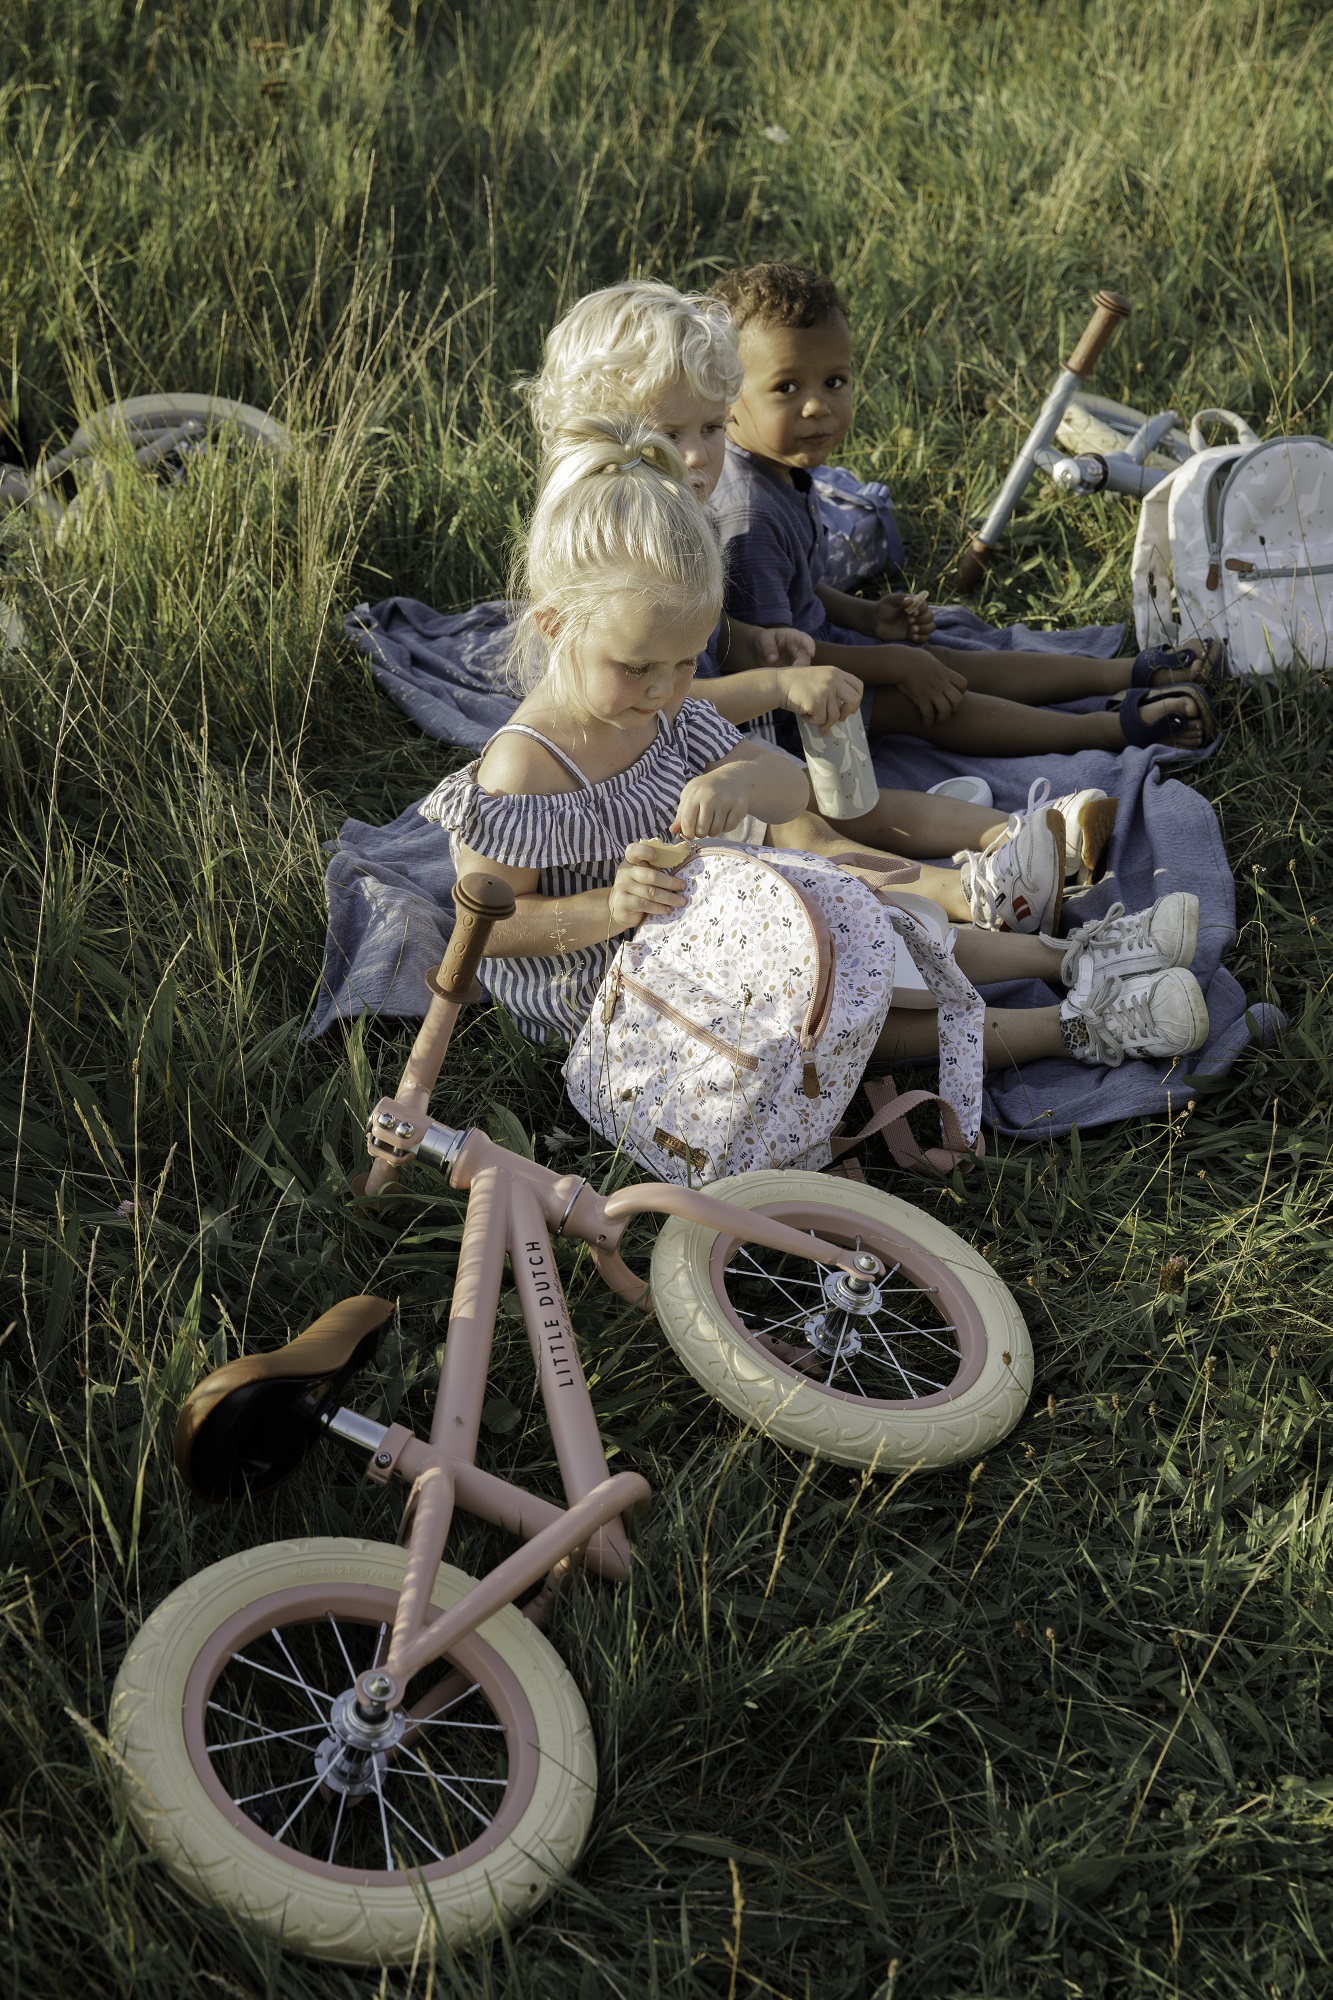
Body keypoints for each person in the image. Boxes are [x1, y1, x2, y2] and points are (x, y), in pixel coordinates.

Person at [418, 416, 1211, 1078]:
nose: (663, 689)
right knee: (823, 1007)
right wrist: (609, 908)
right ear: (556, 625)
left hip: (707, 931)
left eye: (684, 663)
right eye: (637, 668)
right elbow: (490, 931)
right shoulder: (525, 767)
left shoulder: (656, 709)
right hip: (617, 994)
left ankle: (1064, 957)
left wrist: (738, 780)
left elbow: (792, 791)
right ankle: (1076, 1028)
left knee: (851, 913)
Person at [521, 276, 1121, 915]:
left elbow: (692, 640)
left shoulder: (678, 516)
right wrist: (778, 685)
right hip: (644, 774)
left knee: (841, 797)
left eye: (712, 427)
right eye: (669, 435)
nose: (696, 456)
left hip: (703, 741)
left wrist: (752, 640)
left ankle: (1024, 839)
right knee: (809, 830)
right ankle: (977, 895)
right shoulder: (615, 551)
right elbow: (654, 694)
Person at [708, 260, 1222, 756]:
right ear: (724, 396)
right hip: (790, 711)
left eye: (834, 382)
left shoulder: (779, 467)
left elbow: (797, 587)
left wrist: (870, 619)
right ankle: (1106, 730)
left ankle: (1128, 672)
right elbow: (772, 658)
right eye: (787, 387)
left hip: (822, 654)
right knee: (930, 702)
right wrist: (894, 664)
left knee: (942, 662)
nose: (817, 405)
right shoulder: (749, 517)